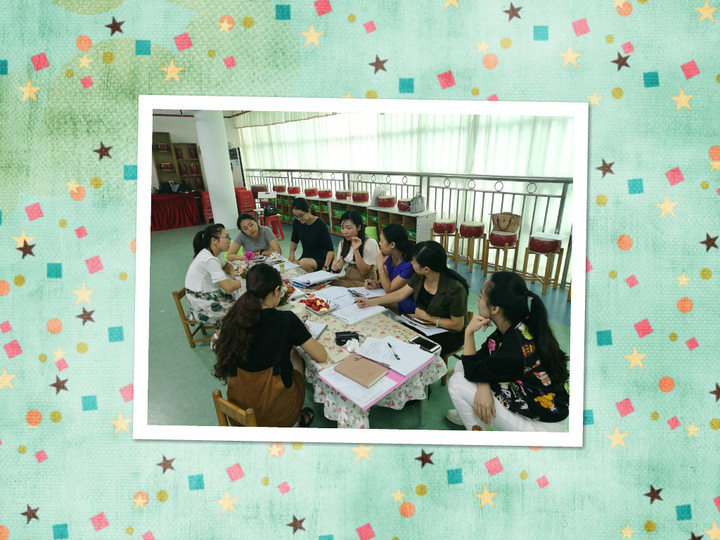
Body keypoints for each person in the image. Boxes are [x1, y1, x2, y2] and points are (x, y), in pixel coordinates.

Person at [446, 271, 569, 432]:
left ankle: (479, 435)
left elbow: (473, 370)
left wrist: (468, 332)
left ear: (495, 309)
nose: (477, 299)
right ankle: (470, 413)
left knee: (456, 383)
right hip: (532, 399)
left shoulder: (514, 348)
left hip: (539, 426)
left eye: (481, 295)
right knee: (460, 366)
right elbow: (480, 359)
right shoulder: (517, 324)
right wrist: (483, 386)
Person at [212, 264, 328, 427]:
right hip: (275, 417)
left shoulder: (234, 316)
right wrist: (300, 331)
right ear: (276, 291)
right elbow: (321, 356)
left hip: (239, 415)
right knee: (294, 354)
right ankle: (295, 418)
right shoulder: (286, 319)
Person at [355, 240, 469, 355]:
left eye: (414, 261)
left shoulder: (454, 289)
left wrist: (428, 317)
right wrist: (370, 302)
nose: (411, 263)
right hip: (424, 324)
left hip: (449, 334)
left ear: (426, 269)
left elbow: (457, 325)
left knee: (410, 347)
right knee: (395, 334)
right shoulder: (420, 276)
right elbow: (400, 294)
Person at [184, 224, 243, 325]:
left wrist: (232, 271)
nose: (229, 240)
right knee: (238, 312)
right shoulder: (209, 259)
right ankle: (197, 315)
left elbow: (226, 265)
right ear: (214, 240)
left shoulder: (212, 253)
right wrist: (247, 280)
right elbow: (228, 288)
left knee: (240, 303)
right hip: (200, 299)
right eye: (226, 237)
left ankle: (219, 327)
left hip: (208, 293)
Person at [363, 223, 416, 315]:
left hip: (406, 301)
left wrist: (380, 265)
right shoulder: (389, 256)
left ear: (392, 244)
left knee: (373, 304)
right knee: (369, 301)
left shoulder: (409, 265)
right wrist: (377, 284)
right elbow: (386, 280)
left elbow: (389, 289)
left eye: (381, 241)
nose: (379, 243)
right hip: (393, 296)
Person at [329, 211, 380, 287]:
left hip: (365, 282)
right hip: (349, 277)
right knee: (328, 283)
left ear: (359, 227)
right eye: (342, 228)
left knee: (335, 285)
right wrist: (334, 268)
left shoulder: (370, 243)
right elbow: (338, 269)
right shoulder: (343, 243)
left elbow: (363, 271)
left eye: (348, 228)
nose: (345, 232)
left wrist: (356, 250)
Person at [288, 197, 335, 273]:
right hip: (306, 257)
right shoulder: (297, 222)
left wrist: (325, 267)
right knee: (293, 264)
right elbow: (294, 240)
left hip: (321, 259)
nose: (299, 218)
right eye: (296, 216)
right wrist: (291, 253)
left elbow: (330, 250)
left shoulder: (320, 224)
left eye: (301, 215)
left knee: (303, 263)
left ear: (309, 210)